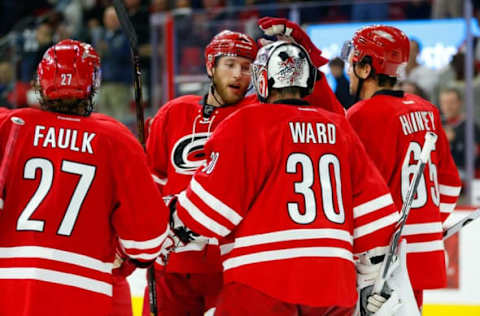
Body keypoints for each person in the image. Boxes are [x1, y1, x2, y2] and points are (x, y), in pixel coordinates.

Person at [169, 41, 400, 316]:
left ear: (263, 80)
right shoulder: (339, 128)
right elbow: (377, 221)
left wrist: (169, 219)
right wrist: (370, 280)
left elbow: (208, 215)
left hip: (261, 282)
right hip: (334, 288)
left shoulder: (245, 123)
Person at [145, 18, 345, 316]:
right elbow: (152, 182)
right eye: (230, 64)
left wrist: (305, 52)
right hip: (172, 261)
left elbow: (330, 115)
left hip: (228, 262)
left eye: (246, 66)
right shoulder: (173, 113)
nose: (239, 74)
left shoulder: (260, 114)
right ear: (211, 65)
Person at [0, 39, 170, 315]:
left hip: (10, 290)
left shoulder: (9, 125)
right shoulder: (115, 139)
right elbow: (146, 245)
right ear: (93, 84)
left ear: (41, 82)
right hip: (84, 293)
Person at [344, 25, 462, 309]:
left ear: (365, 68)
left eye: (353, 63)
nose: (349, 70)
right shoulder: (426, 110)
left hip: (384, 260)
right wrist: (425, 224)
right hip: (425, 253)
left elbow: (357, 195)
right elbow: (450, 185)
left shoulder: (361, 115)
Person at [439, 87, 480, 179]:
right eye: (444, 103)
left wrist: (454, 139)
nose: (447, 107)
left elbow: (473, 158)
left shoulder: (470, 126)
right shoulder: (436, 124)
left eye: (451, 103)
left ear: (460, 103)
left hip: (463, 174)